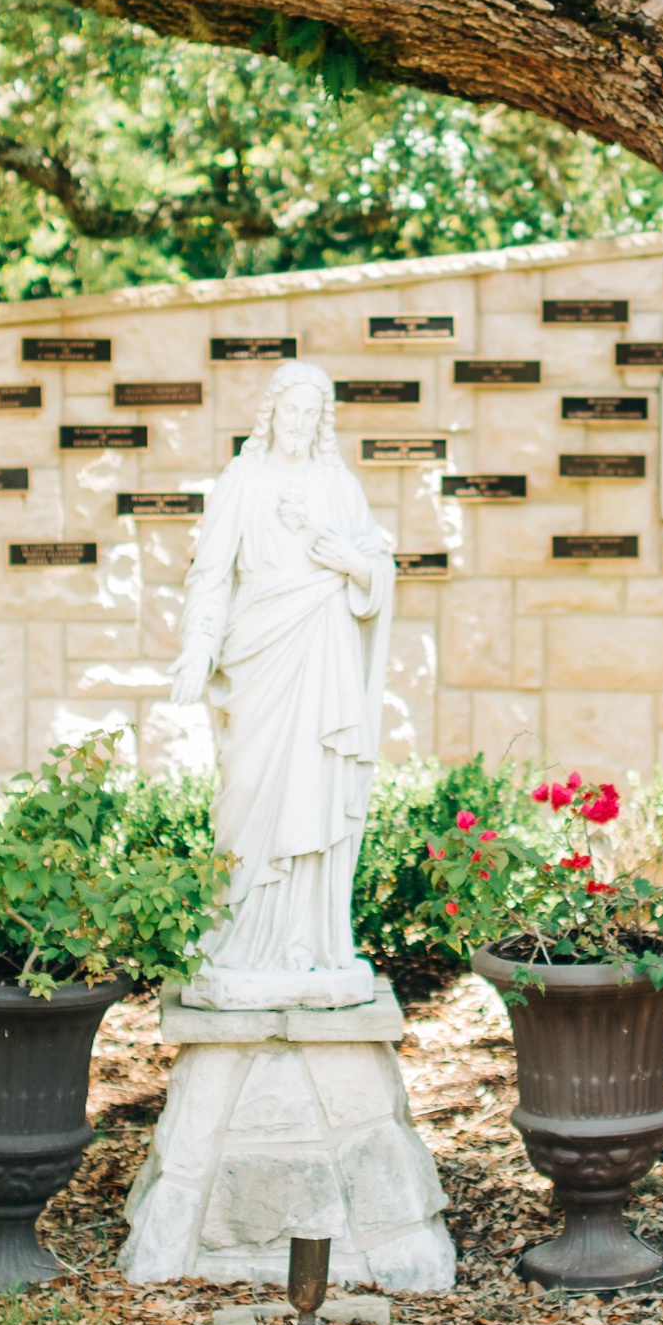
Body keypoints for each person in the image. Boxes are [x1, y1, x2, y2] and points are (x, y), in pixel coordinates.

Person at [166, 360, 397, 1009]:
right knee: (246, 790)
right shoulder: (243, 481)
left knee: (313, 788)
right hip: (258, 656)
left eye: (310, 413)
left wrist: (354, 564)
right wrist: (195, 649)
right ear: (271, 413)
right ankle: (241, 934)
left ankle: (305, 940)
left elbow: (378, 566)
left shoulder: (338, 484)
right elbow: (210, 574)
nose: (298, 424)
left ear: (322, 421)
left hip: (322, 654)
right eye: (289, 410)